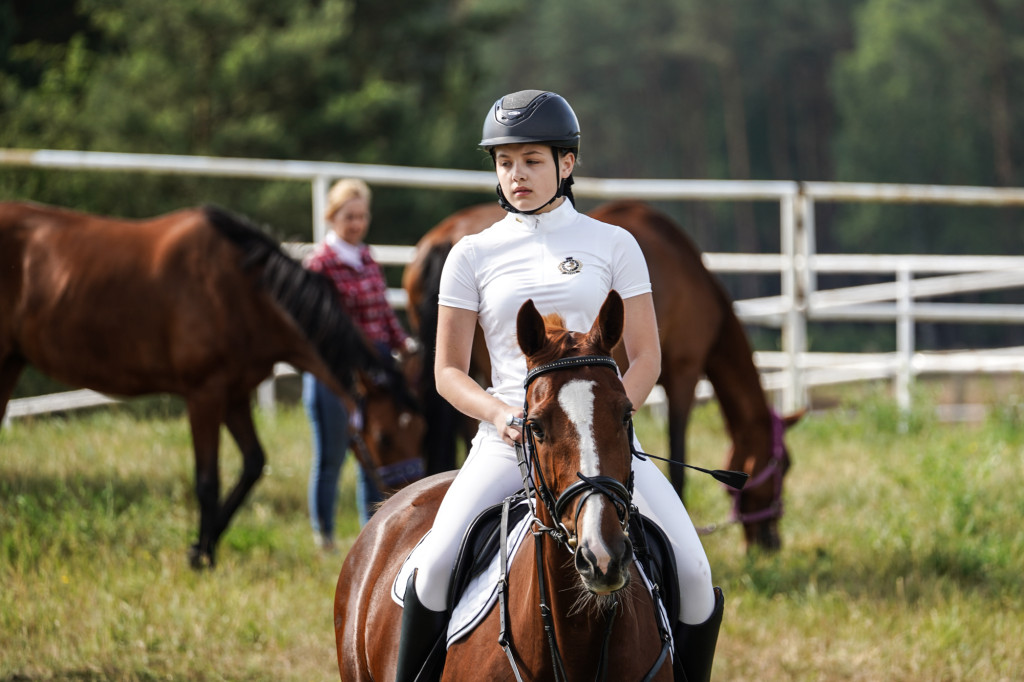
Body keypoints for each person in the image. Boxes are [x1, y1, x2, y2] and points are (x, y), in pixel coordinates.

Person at [396, 90, 724, 682]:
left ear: (565, 164)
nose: (515, 174)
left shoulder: (614, 245)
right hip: (508, 441)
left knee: (696, 575)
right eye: (504, 162)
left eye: (531, 160)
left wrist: (611, 425)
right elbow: (447, 371)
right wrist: (498, 417)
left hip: (602, 444)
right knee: (433, 566)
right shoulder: (472, 253)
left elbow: (645, 355)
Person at [303, 178, 416, 550]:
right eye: (349, 216)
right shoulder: (320, 264)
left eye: (362, 216)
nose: (356, 224)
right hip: (334, 374)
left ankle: (372, 534)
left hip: (373, 373)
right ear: (332, 216)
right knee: (331, 455)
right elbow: (320, 325)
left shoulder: (367, 258)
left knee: (372, 457)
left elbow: (383, 312)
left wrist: (403, 345)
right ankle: (325, 535)